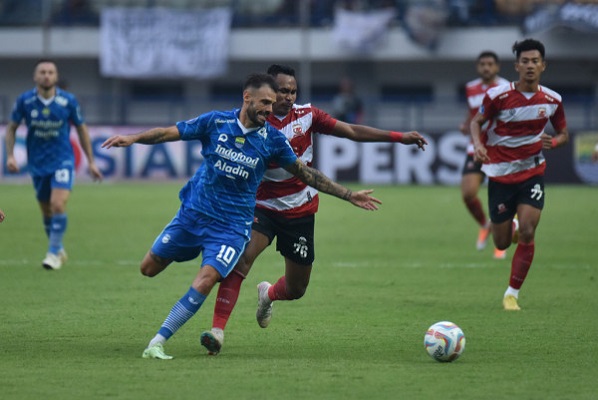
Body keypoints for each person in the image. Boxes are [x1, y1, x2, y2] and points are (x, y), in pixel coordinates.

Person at [101, 73, 382, 360]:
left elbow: (306, 173)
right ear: (246, 97)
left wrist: (348, 195)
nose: (269, 110)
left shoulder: (272, 140)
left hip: (231, 228)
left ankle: (158, 341)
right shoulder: (215, 122)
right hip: (193, 215)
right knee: (148, 268)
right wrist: (133, 138)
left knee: (207, 278)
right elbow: (167, 133)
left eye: (272, 105)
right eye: (263, 103)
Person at [200, 64, 428, 356]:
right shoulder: (254, 120)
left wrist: (398, 137)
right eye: (283, 90)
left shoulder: (307, 116)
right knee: (242, 261)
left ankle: (268, 294)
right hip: (261, 207)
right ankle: (217, 331)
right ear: (269, 91)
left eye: (293, 91)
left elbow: (351, 131)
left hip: (300, 209)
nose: (289, 96)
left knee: (296, 289)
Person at [470, 39, 568, 311]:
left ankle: (511, 293)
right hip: (500, 174)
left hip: (532, 171)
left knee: (528, 230)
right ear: (516, 66)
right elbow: (476, 123)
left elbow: (563, 132)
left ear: (543, 65)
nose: (530, 66)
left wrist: (556, 142)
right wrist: (478, 145)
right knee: (501, 241)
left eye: (535, 61)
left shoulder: (552, 100)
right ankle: (508, 227)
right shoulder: (498, 97)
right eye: (524, 61)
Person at [4, 59, 103, 270]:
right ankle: (58, 248)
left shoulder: (68, 101)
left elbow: (82, 129)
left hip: (62, 160)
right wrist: (10, 155)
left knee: (58, 204)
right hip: (37, 163)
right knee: (46, 211)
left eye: (50, 72)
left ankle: (52, 253)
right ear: (35, 76)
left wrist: (91, 161)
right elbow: (11, 128)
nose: (46, 76)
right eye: (42, 72)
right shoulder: (24, 101)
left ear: (56, 77)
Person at [460, 51, 509, 259]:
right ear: (478, 67)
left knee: (502, 198)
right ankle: (485, 225)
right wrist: (466, 125)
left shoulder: (505, 88)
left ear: (497, 67)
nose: (486, 68)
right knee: (468, 193)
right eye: (482, 64)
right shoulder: (470, 88)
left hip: (499, 148)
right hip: (475, 148)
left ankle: (501, 243)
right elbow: (473, 113)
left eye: (490, 64)